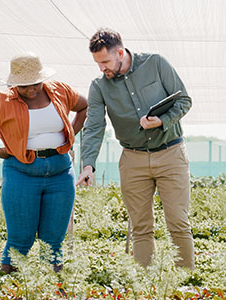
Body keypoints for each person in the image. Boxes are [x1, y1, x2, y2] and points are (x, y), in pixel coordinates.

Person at [76, 28, 195, 270]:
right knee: (141, 227)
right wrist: (88, 164)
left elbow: (184, 100)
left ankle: (186, 280)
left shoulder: (156, 64)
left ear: (120, 52)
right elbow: (94, 126)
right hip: (133, 159)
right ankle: (144, 283)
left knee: (178, 222)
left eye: (106, 61)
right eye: (97, 63)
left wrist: (162, 121)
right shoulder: (99, 87)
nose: (102, 68)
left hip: (170, 153)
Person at [0, 53, 87, 274]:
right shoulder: (2, 100)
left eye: (36, 83)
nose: (31, 89)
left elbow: (84, 106)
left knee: (53, 240)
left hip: (60, 172)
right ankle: (7, 286)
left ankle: (53, 287)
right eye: (24, 85)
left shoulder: (60, 90)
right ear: (15, 83)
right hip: (22, 172)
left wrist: (70, 134)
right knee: (20, 237)